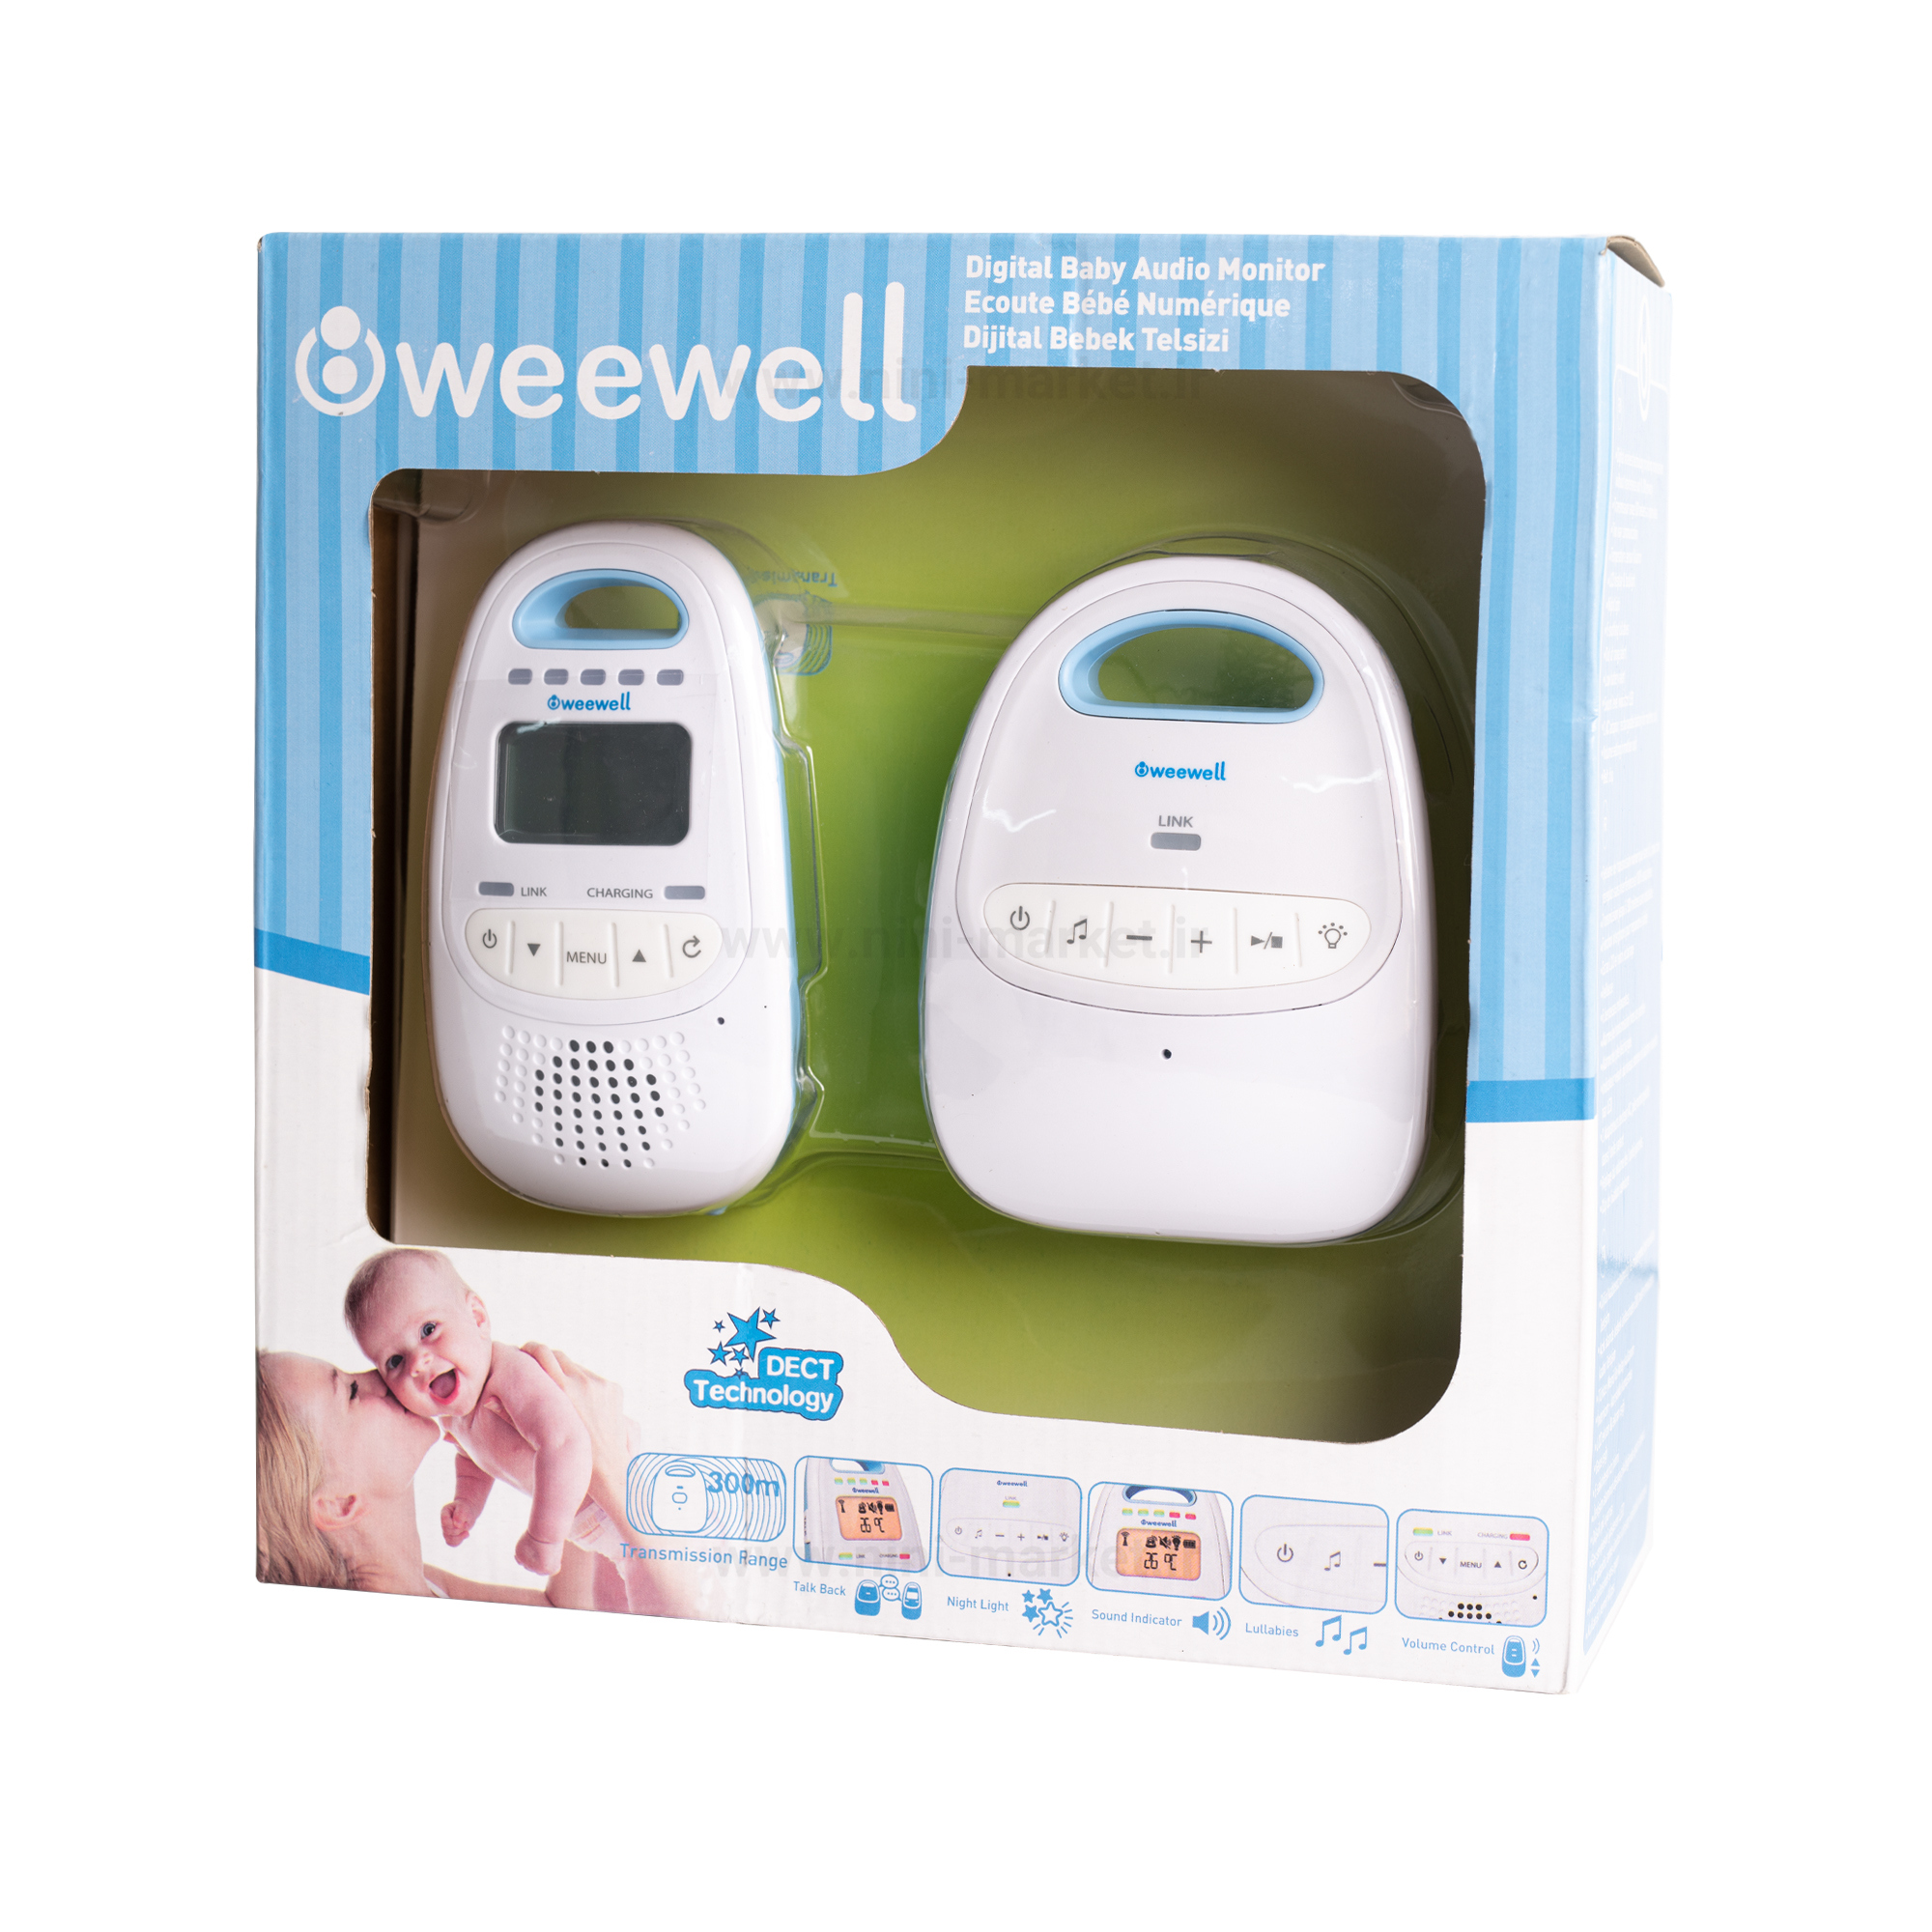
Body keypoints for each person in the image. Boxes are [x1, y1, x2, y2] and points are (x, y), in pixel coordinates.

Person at [256, 1341, 678, 1612]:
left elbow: (562, 1611)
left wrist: (564, 1468)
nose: (380, 1376)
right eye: (350, 1391)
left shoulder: (421, 1584)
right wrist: (609, 1469)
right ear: (337, 1503)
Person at [344, 1248, 596, 1577]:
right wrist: (467, 1503)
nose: (417, 1363)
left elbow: (566, 1444)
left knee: (644, 1585)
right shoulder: (453, 1417)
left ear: (477, 1317)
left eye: (428, 1330)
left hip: (617, 1502)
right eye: (395, 1361)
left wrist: (543, 1539)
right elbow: (475, 1460)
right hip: (586, 1524)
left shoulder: (510, 1373)